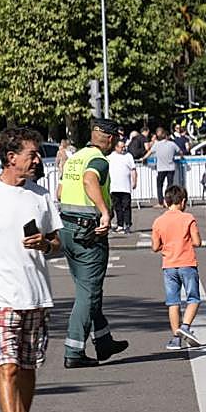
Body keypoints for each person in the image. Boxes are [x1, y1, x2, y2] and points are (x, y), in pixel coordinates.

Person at [0, 128, 61, 412]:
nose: (37, 160)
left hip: (36, 295)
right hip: (3, 297)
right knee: (6, 365)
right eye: (32, 155)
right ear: (11, 158)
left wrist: (45, 245)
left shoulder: (41, 196)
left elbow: (58, 243)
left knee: (27, 368)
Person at [58, 118, 129, 368]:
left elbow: (60, 192)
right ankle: (73, 350)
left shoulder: (75, 157)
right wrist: (105, 212)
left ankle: (103, 340)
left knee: (86, 290)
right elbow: (90, 180)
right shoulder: (98, 160)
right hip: (89, 231)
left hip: (67, 228)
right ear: (111, 139)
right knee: (88, 294)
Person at [151, 185, 203, 351]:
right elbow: (197, 242)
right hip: (187, 262)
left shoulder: (158, 221)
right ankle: (186, 326)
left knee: (173, 302)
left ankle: (175, 338)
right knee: (193, 298)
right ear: (183, 201)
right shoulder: (188, 218)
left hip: (169, 265)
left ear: (166, 203)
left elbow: (155, 246)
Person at [107, 137, 138, 234]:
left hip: (125, 187)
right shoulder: (110, 157)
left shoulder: (128, 156)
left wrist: (134, 181)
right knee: (117, 207)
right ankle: (120, 225)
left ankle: (127, 224)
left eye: (124, 147)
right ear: (116, 147)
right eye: (121, 147)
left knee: (126, 206)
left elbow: (133, 170)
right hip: (114, 187)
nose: (123, 149)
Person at [149, 127, 180, 206]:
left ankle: (161, 202)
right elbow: (180, 151)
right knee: (169, 186)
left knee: (159, 185)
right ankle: (169, 202)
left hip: (161, 168)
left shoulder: (157, 144)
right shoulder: (172, 144)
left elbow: (149, 152)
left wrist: (143, 158)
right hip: (171, 168)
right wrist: (181, 156)